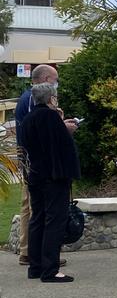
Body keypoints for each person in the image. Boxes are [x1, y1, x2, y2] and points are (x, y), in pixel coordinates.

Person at [14, 64, 77, 266]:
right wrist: (62, 126)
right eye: (55, 79)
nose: (56, 84)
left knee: (33, 208)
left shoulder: (28, 99)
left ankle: (32, 254)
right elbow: (42, 132)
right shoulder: (34, 101)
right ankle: (39, 256)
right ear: (45, 79)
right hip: (40, 167)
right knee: (39, 211)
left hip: (33, 163)